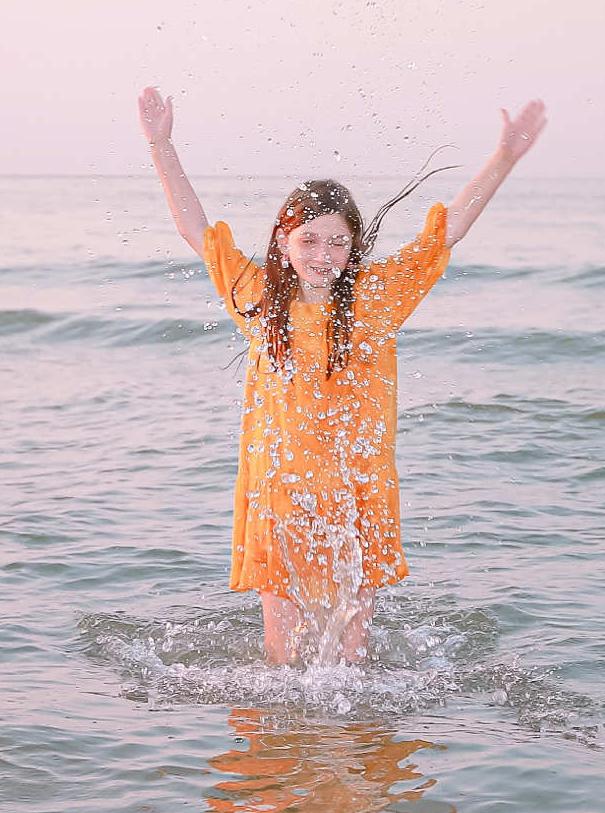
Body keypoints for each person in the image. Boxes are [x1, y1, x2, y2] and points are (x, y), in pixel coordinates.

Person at [137, 86, 547, 666]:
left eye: (337, 241)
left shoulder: (376, 301)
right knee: (282, 659)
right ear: (284, 241)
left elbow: (444, 233)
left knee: (351, 660)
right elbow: (196, 230)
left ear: (354, 249)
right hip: (279, 493)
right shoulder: (258, 299)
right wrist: (161, 144)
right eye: (309, 239)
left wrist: (503, 157)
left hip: (358, 490)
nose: (322, 253)